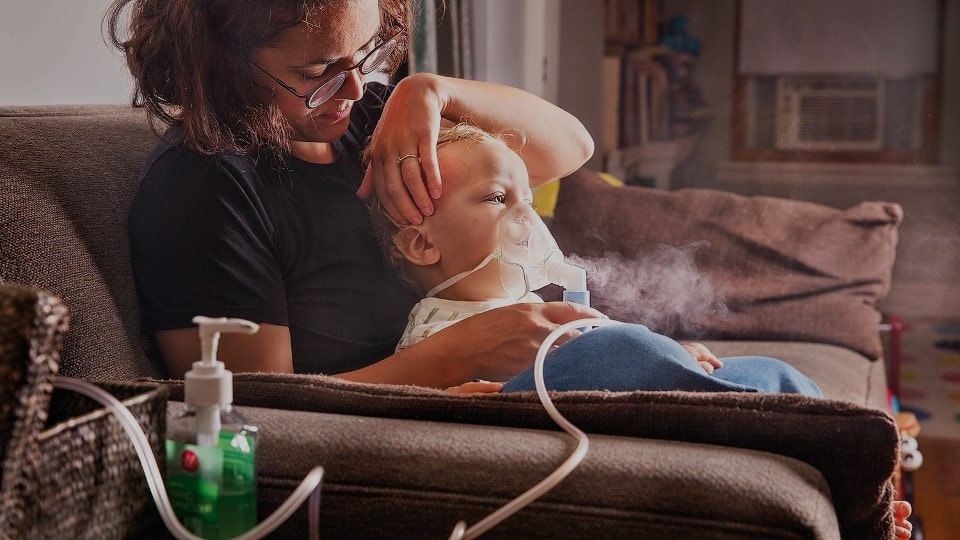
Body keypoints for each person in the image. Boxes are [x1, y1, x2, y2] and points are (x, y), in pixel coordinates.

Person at [107, 0, 600, 385]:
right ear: (222, 67)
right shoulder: (202, 190)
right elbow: (262, 412)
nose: (356, 89)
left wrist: (429, 91)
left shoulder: (378, 125)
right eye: (317, 73)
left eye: (366, 54)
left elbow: (572, 147)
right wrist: (457, 355)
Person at [367, 123, 823, 396]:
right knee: (623, 349)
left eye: (526, 198)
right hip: (543, 403)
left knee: (781, 375)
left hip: (610, 391)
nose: (525, 216)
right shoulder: (435, 326)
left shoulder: (536, 302)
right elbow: (425, 399)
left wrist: (669, 355)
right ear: (423, 244)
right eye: (496, 197)